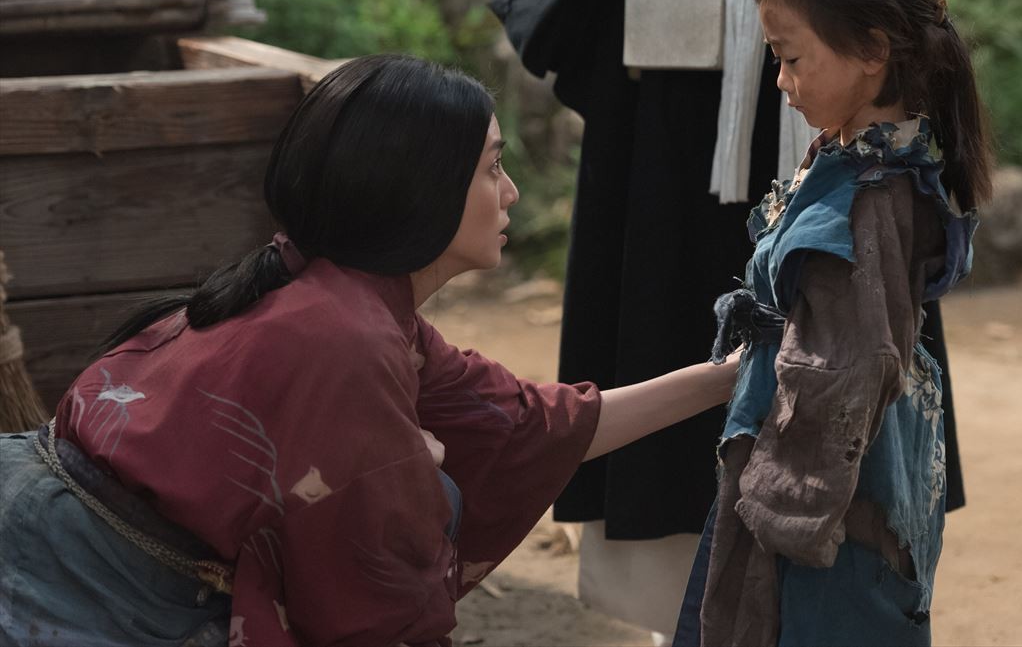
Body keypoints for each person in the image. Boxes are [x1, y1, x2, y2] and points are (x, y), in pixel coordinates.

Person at [0, 54, 740, 647]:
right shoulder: (344, 336)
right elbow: (371, 600)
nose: (511, 192)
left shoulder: (351, 299)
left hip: (69, 538)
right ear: (422, 189)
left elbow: (532, 424)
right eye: (491, 168)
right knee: (428, 491)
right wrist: (412, 465)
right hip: (69, 583)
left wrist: (731, 376)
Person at [490, 0, 970, 637]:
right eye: (777, 60)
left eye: (788, 62)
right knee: (670, 284)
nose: (782, 82)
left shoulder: (880, 190)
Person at [673, 0, 992, 647]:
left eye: (791, 57)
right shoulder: (860, 162)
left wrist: (784, 504)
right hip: (831, 468)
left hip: (828, 497)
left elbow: (847, 367)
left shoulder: (867, 201)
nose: (781, 80)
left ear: (873, 49)